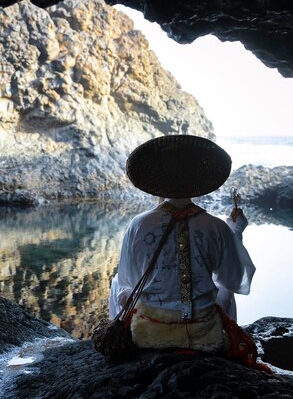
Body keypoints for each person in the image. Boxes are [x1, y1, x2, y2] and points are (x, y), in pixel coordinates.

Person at [108, 134, 271, 372]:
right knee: (223, 286)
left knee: (117, 283)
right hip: (203, 331)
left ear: (158, 180)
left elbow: (130, 282)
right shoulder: (215, 226)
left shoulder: (138, 224)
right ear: (197, 181)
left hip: (150, 331)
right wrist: (236, 232)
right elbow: (235, 279)